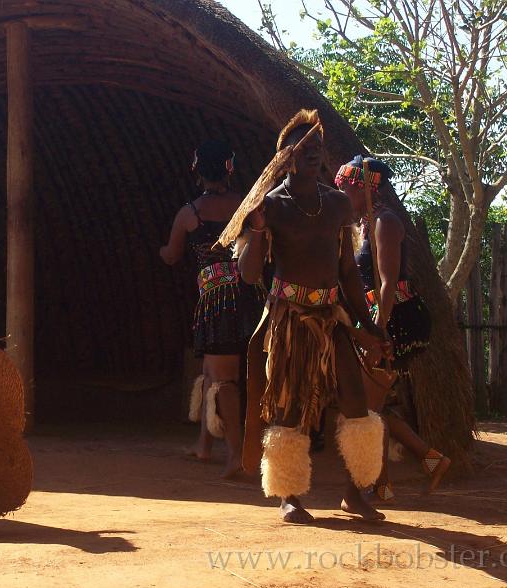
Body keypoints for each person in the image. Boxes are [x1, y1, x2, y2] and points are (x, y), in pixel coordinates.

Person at [237, 110, 390, 523]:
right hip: (288, 318)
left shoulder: (337, 204)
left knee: (356, 401)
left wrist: (369, 324)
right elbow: (250, 273)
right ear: (286, 155)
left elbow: (346, 272)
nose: (313, 153)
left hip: (330, 314)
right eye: (304, 147)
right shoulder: (270, 206)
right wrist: (256, 229)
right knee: (290, 406)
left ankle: (355, 493)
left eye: (318, 147)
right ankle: (288, 494)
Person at [336, 155, 449, 501]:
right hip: (385, 317)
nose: (344, 198)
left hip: (397, 320)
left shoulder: (385, 222)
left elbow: (387, 283)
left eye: (348, 190)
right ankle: (420, 465)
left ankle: (370, 486)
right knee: (376, 405)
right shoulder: (367, 225)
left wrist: (377, 334)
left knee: (369, 408)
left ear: (366, 191)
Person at [160, 140, 266, 478]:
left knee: (224, 380)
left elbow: (173, 254)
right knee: (211, 372)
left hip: (218, 301)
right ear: (228, 169)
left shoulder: (189, 213)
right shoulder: (244, 207)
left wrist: (161, 251)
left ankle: (236, 454)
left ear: (197, 171)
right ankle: (204, 445)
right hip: (251, 296)